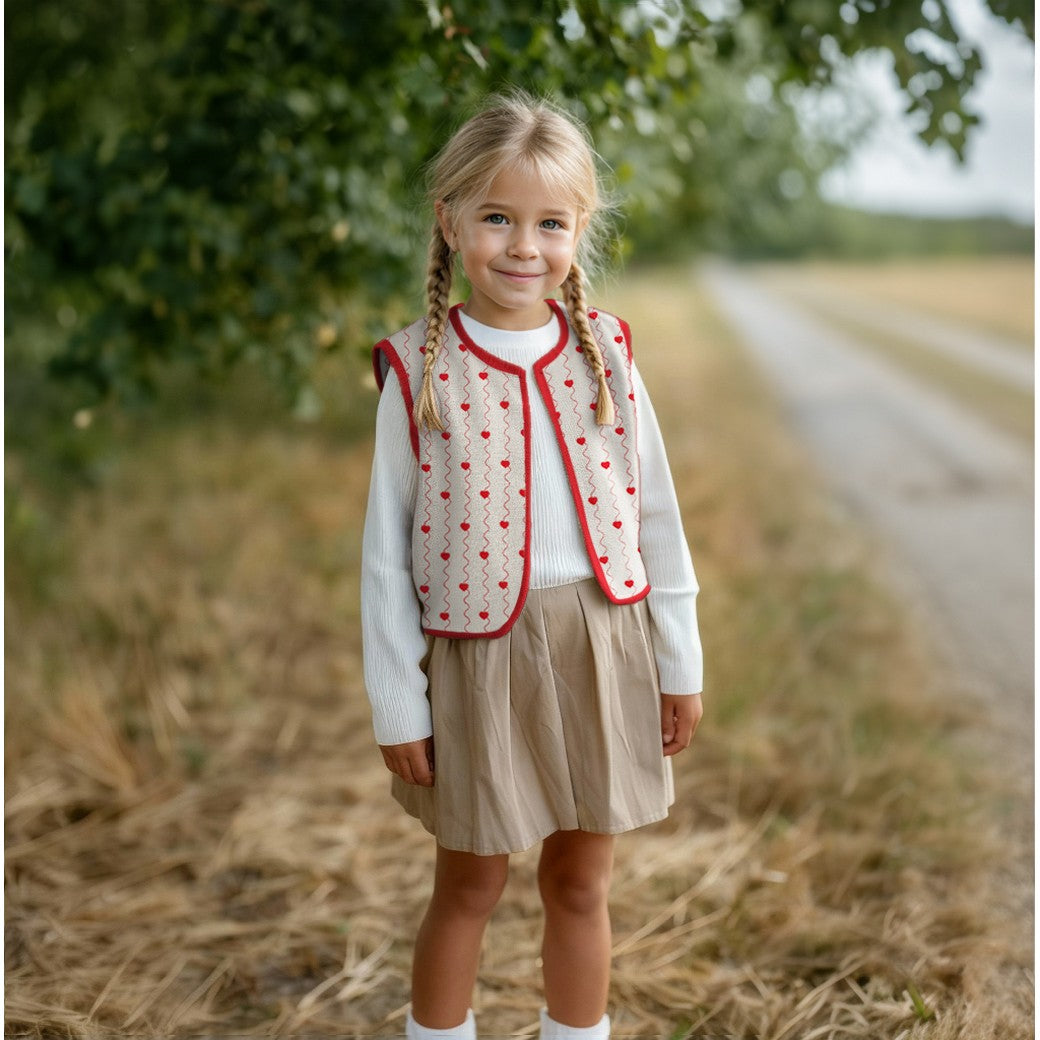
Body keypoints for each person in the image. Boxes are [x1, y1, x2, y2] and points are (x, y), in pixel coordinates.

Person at [361, 90, 703, 1040]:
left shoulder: (606, 355)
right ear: (451, 220)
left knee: (580, 883)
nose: (523, 246)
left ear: (579, 229)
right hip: (476, 658)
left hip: (604, 643)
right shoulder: (419, 371)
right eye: (497, 218)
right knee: (470, 884)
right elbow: (385, 560)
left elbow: (658, 517)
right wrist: (399, 700)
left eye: (550, 223)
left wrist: (680, 663)